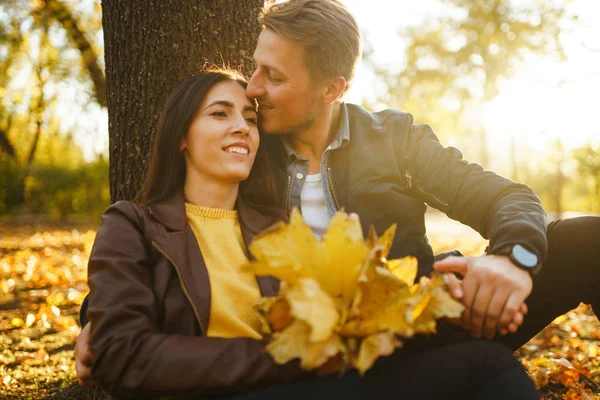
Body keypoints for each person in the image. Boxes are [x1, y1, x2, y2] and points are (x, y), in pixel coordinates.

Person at [82, 68, 539, 399]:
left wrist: (437, 304)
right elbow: (121, 350)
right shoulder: (133, 223)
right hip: (234, 389)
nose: (242, 125)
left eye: (249, 117)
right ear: (181, 136)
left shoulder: (280, 227)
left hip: (307, 386)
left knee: (486, 365)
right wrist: (283, 360)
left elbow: (343, 313)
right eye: (219, 114)